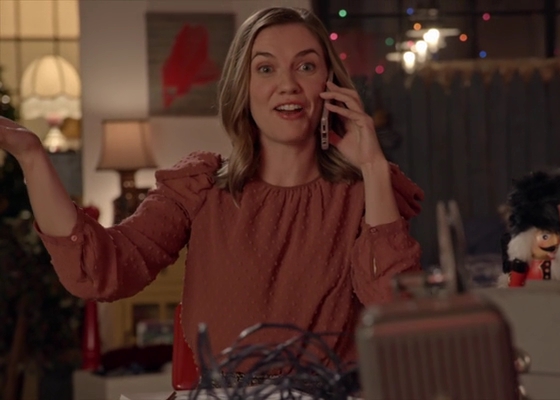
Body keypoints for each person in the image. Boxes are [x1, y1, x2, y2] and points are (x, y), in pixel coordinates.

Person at [0, 7, 424, 374]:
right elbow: (99, 272)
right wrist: (32, 157)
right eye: (266, 68)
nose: (288, 85)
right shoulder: (200, 187)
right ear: (244, 87)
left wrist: (372, 167)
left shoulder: (364, 194)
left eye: (306, 66)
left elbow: (395, 309)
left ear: (330, 85)